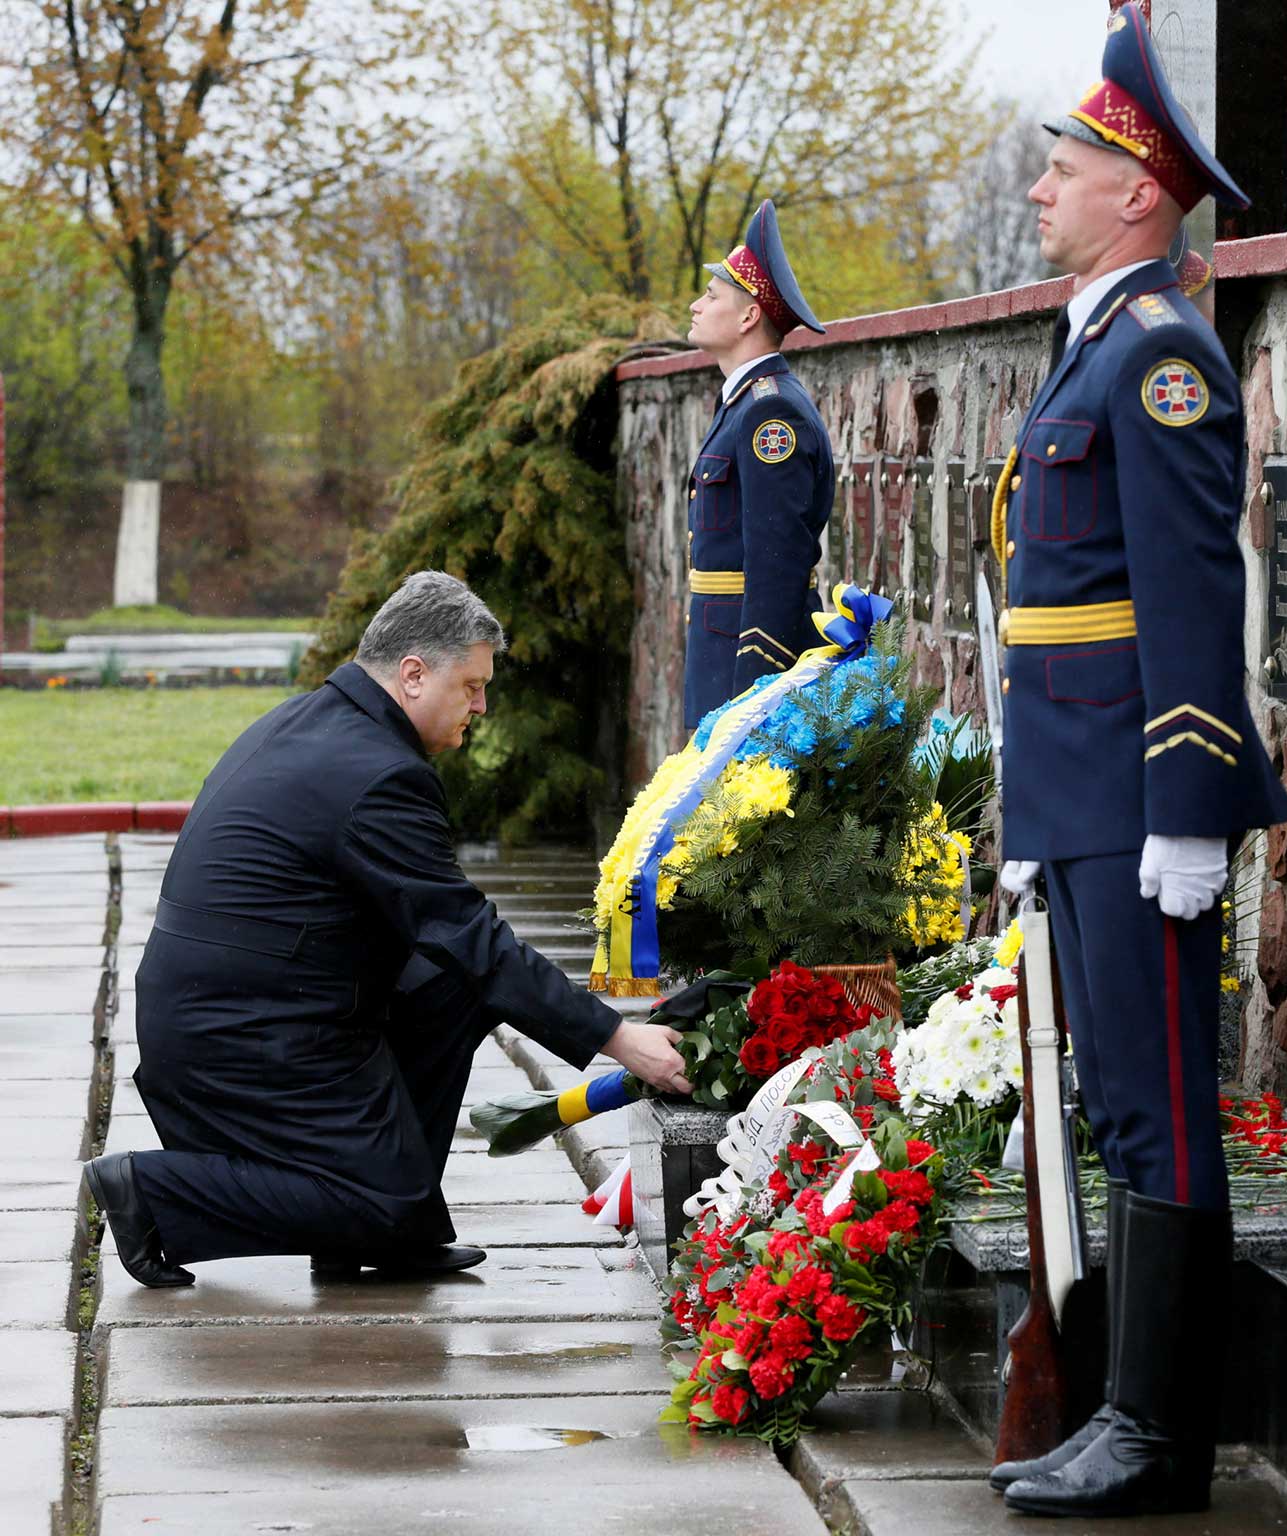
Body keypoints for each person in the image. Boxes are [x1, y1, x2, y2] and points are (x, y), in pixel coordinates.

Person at [986, 3, 1287, 1518]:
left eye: (1065, 167)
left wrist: (1189, 809)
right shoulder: (1093, 350)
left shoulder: (1162, 361)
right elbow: (1055, 613)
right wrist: (1036, 811)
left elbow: (1188, 601)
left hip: (1140, 803)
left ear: (1137, 194)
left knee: (1162, 1109)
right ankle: (1124, 1413)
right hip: (1083, 799)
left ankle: (1158, 1439)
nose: (1041, 187)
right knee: (1120, 1102)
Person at [82, 572, 691, 1289]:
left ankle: (383, 1231)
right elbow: (467, 929)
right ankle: (153, 1193)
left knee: (462, 986)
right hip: (238, 1043)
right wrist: (621, 1040)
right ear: (412, 675)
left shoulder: (322, 723)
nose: (482, 705)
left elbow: (461, 950)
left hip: (264, 1006)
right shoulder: (376, 773)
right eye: (470, 685)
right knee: (386, 1193)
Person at [681, 200, 834, 731]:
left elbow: (777, 560)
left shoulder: (770, 411)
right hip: (716, 655)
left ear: (749, 316)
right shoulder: (744, 401)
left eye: (711, 295)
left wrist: (756, 688)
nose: (697, 305)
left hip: (741, 671)